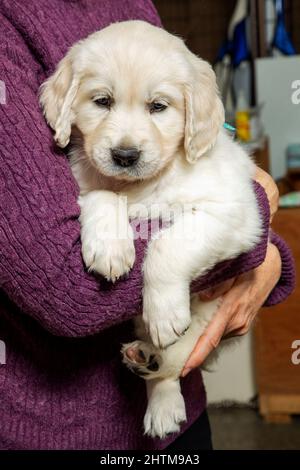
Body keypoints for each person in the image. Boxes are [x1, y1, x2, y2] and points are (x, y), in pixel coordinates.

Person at [0, 0, 295, 451]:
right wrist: (102, 204)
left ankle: (165, 379)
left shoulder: (134, 5)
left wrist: (265, 259)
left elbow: (238, 222)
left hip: (181, 424)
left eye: (158, 106)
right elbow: (63, 286)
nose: (126, 144)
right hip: (47, 436)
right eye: (102, 101)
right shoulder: (12, 23)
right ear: (66, 105)